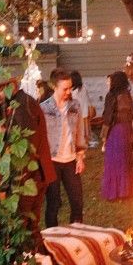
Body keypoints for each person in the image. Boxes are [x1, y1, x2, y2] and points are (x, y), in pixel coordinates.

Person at [0, 67, 56, 245]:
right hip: (32, 175)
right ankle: (38, 263)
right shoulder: (16, 103)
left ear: (12, 85)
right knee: (30, 227)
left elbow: (27, 147)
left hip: (29, 176)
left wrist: (2, 138)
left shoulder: (23, 107)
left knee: (22, 226)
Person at [41, 68, 86, 226]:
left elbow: (80, 133)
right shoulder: (44, 109)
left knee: (77, 200)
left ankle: (77, 232)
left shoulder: (75, 106)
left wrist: (80, 157)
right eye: (65, 88)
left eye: (70, 88)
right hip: (52, 161)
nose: (69, 91)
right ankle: (52, 237)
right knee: (53, 202)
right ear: (54, 87)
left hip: (71, 160)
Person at [100, 71, 133, 200]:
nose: (108, 83)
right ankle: (125, 190)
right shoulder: (127, 94)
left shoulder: (111, 95)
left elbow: (108, 116)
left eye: (110, 80)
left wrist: (104, 137)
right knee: (125, 159)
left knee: (113, 161)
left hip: (115, 130)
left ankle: (113, 192)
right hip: (126, 128)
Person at [70, 70, 95, 148]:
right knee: (85, 129)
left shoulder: (72, 91)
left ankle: (80, 143)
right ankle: (86, 142)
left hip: (77, 113)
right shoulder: (83, 87)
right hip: (85, 111)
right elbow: (88, 99)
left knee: (79, 129)